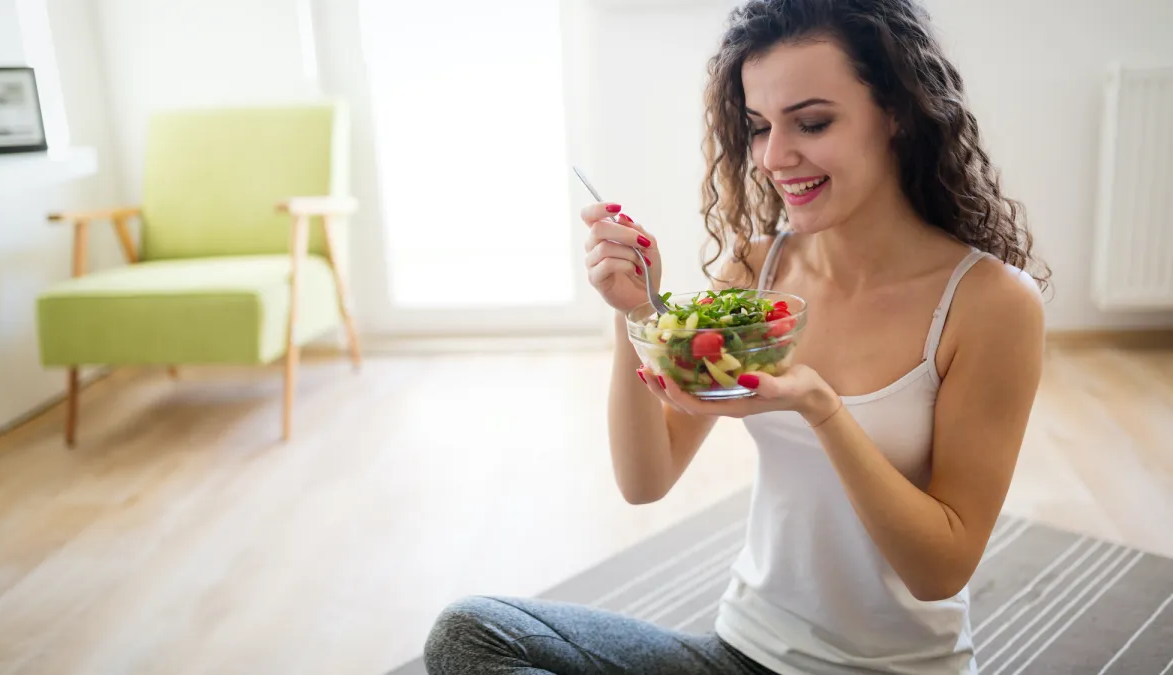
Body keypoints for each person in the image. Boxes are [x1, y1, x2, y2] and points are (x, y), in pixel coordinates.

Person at [423, 0, 1049, 672]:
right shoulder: (755, 270)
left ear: (897, 110)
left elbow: (941, 568)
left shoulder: (989, 303)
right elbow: (647, 477)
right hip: (744, 652)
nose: (775, 157)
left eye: (812, 122)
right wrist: (634, 314)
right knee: (468, 634)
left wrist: (822, 409)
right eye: (758, 127)